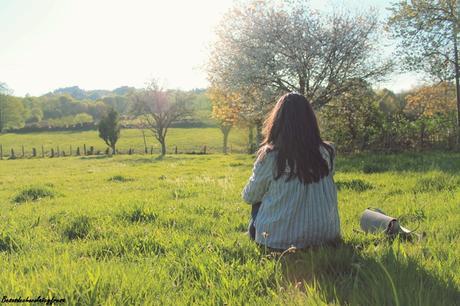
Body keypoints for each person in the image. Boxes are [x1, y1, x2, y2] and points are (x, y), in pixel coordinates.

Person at [242, 92, 340, 250]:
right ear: (310, 121)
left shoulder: (270, 156)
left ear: (277, 122)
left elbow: (249, 196)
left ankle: (268, 233)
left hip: (278, 242)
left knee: (257, 202)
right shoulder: (327, 152)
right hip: (327, 237)